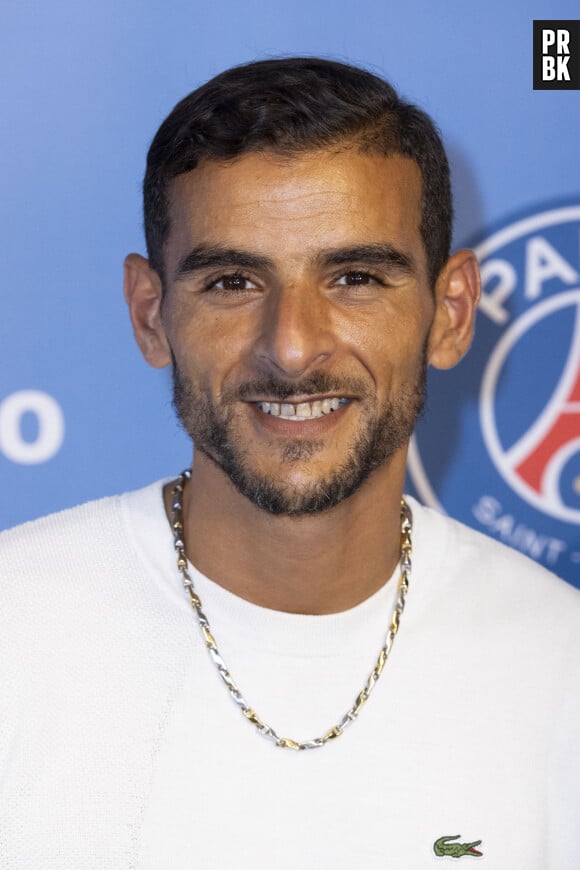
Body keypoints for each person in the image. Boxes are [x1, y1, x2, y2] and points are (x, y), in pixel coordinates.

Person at [1, 58, 579, 870]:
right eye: (233, 281)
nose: (294, 346)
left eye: (355, 278)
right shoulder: (13, 633)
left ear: (450, 314)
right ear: (150, 313)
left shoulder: (561, 666)